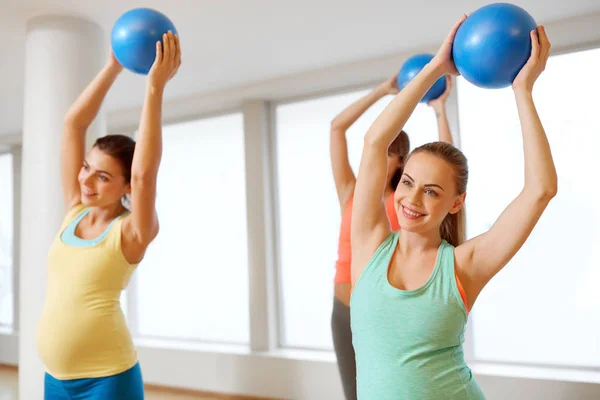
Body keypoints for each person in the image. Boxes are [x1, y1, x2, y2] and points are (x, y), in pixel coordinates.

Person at [350, 17, 555, 400]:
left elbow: (540, 191)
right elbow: (375, 142)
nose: (411, 200)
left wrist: (523, 91)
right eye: (408, 183)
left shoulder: (464, 265)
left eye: (431, 192)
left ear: (455, 202)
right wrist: (436, 69)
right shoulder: (369, 247)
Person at [36, 32, 181, 399]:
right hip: (54, 379)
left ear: (126, 187)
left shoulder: (133, 231)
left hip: (107, 380)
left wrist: (154, 89)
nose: (86, 180)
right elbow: (73, 124)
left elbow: (145, 173)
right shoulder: (74, 209)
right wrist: (113, 66)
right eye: (87, 168)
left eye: (103, 177)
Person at [330, 74, 455, 400]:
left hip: (386, 311)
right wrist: (384, 91)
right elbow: (336, 127)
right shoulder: (350, 192)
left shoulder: (407, 203)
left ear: (399, 161)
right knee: (353, 394)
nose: (372, 157)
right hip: (343, 308)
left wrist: (439, 111)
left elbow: (448, 167)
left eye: (385, 152)